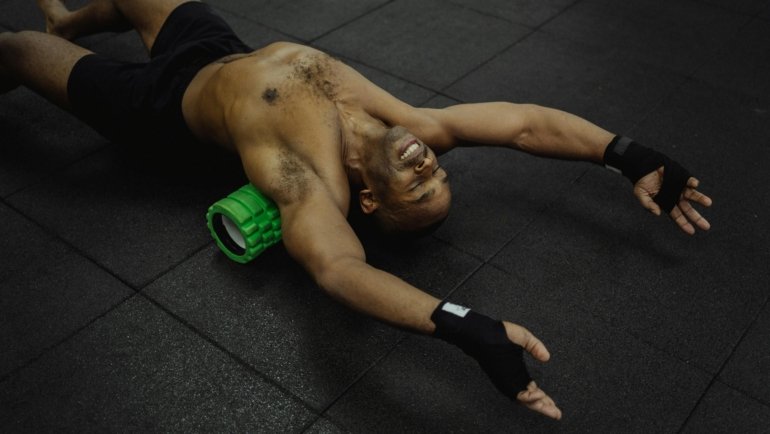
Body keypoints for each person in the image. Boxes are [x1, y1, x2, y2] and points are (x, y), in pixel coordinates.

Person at [0, 0, 713, 421]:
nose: (430, 168)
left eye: (418, 190)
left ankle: (48, 42)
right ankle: (70, 18)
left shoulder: (310, 181)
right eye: (439, 180)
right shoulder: (412, 126)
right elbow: (524, 122)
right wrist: (628, 152)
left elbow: (340, 268)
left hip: (158, 112)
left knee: (13, 49)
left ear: (368, 198)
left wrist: (466, 327)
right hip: (215, 51)